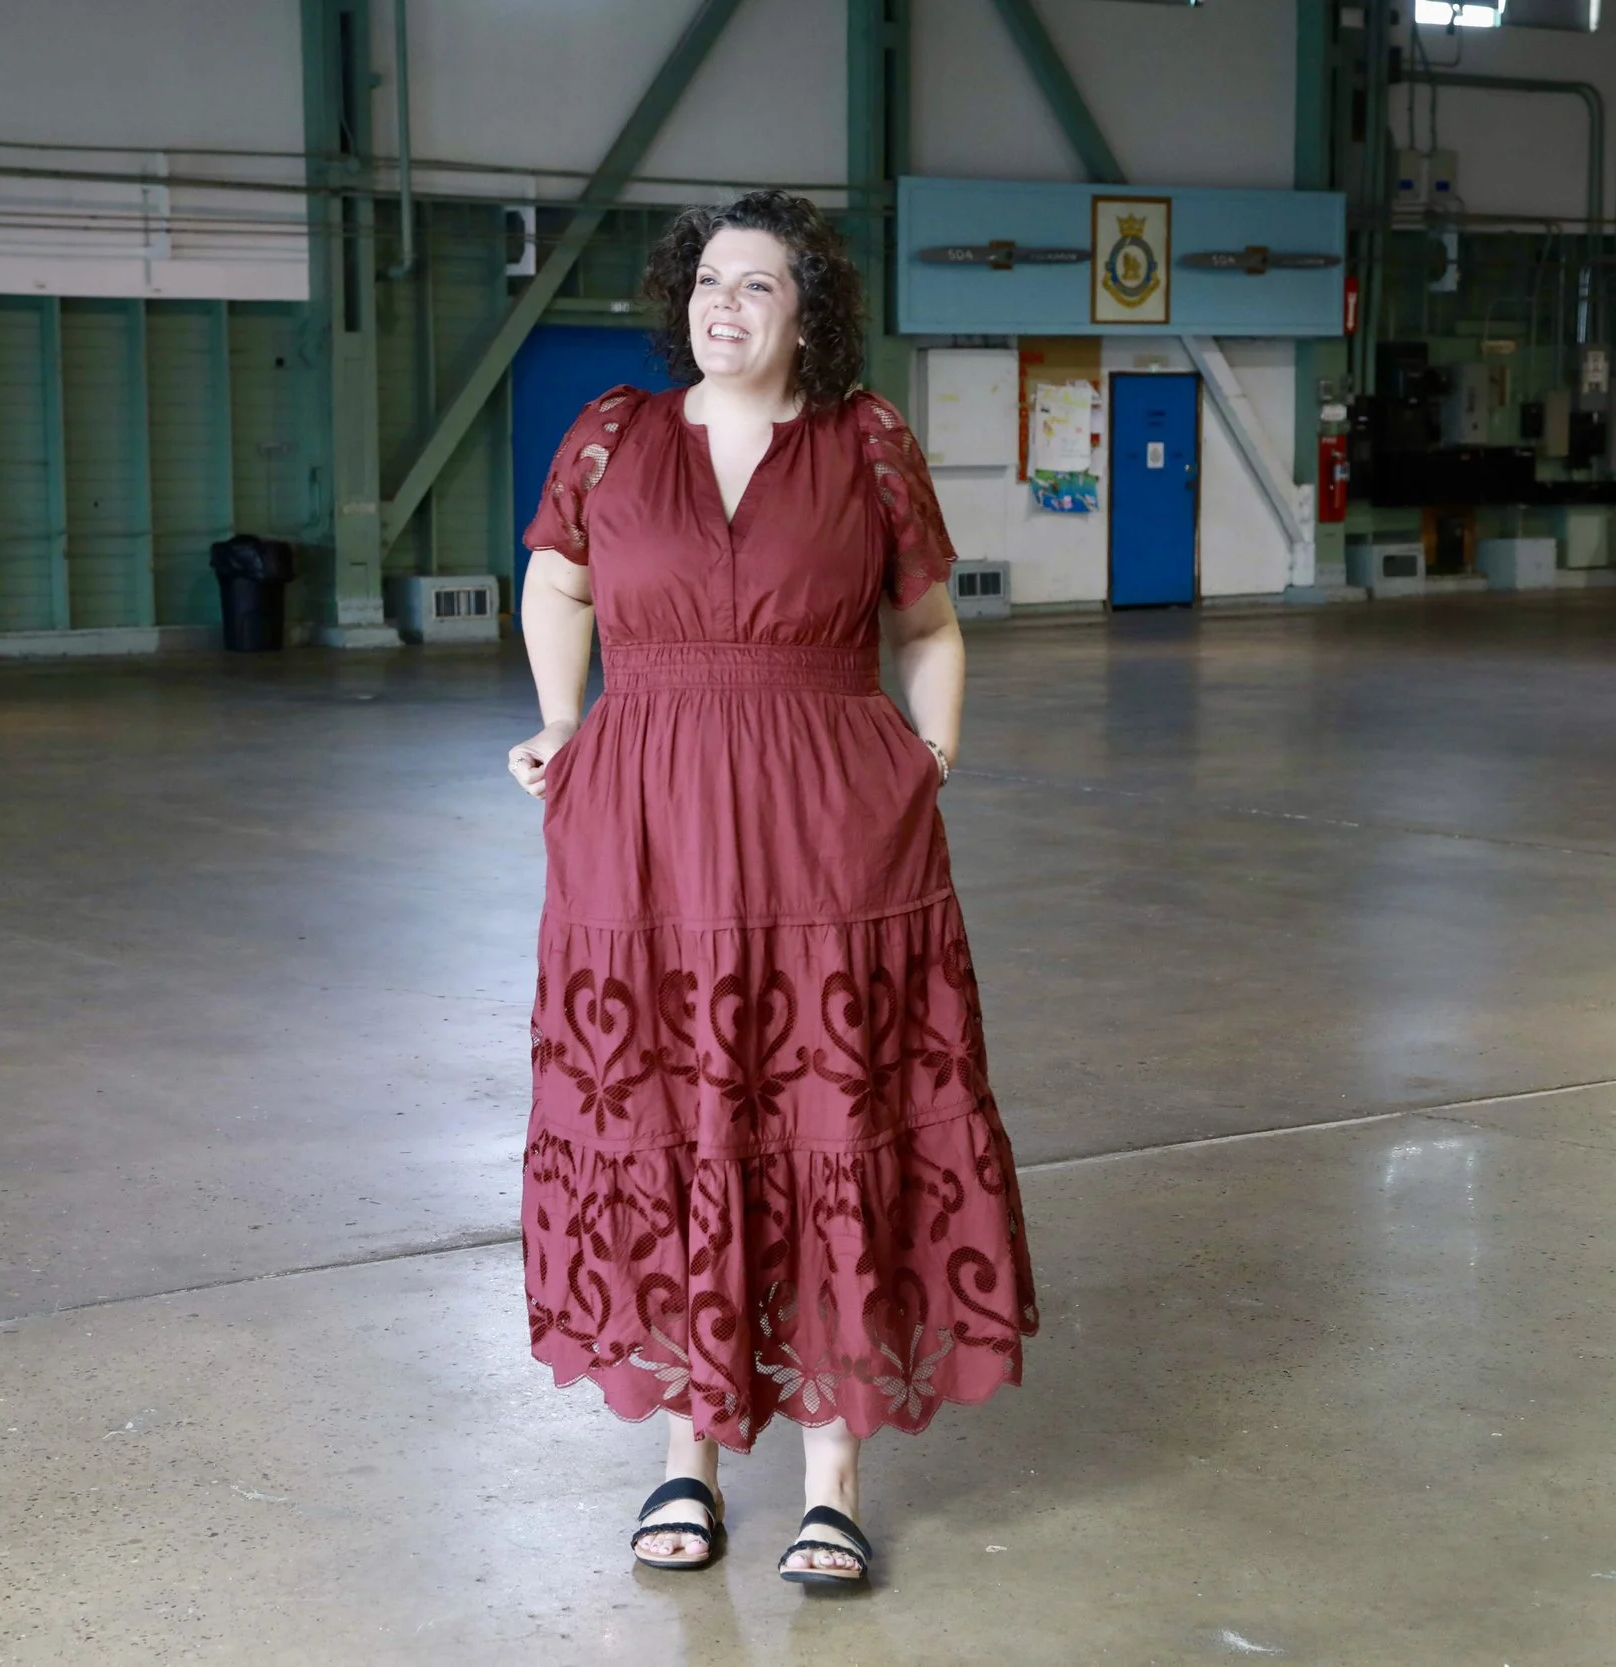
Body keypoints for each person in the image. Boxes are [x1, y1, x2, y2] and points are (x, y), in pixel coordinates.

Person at [505, 189, 1037, 1590]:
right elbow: (556, 585)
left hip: (829, 829)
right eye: (705, 284)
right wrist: (564, 722)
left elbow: (926, 621)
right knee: (679, 1113)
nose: (721, 307)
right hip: (647, 829)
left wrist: (928, 754)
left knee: (829, 1117)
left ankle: (832, 1474)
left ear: (812, 314)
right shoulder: (615, 434)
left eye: (755, 286)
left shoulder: (866, 443)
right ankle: (686, 1456)